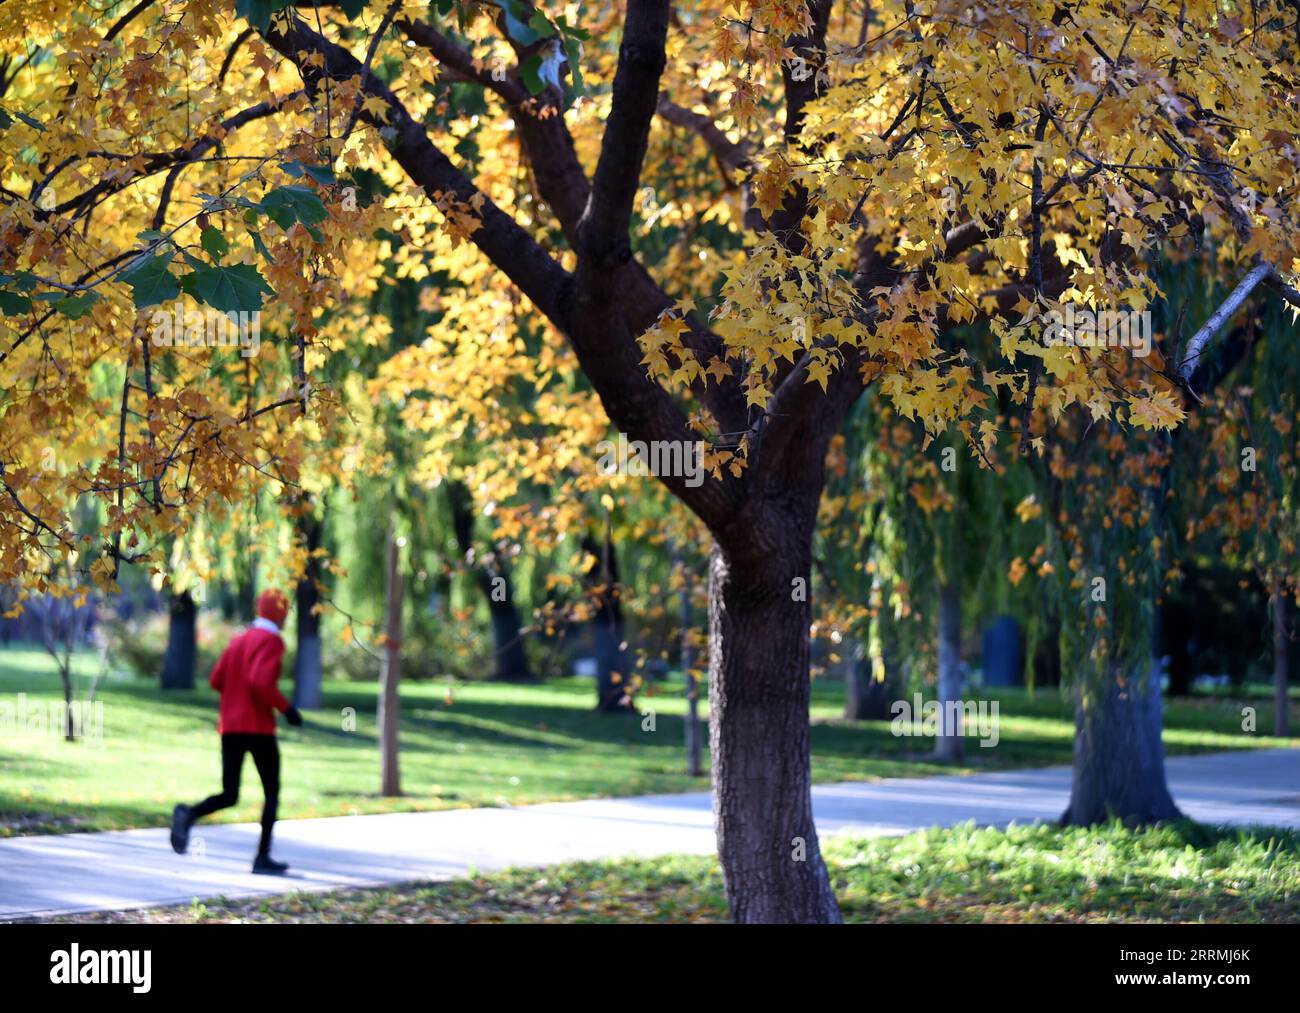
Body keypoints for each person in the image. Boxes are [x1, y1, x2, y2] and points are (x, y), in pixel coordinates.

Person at [171, 588, 303, 874]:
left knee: (230, 793)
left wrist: (235, 698)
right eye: (285, 611)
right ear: (280, 613)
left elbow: (216, 679)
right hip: (258, 729)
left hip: (230, 727)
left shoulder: (239, 639)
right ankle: (262, 857)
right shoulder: (272, 641)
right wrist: (287, 709)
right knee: (271, 792)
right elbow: (260, 681)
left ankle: (188, 814)